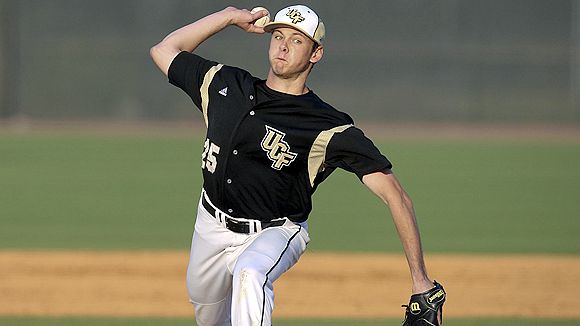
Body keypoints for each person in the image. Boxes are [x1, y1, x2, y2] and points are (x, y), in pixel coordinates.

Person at [150, 4, 443, 326]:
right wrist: (229, 17)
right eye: (277, 36)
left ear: (316, 54)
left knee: (252, 274)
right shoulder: (224, 85)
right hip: (209, 225)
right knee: (209, 318)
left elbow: (395, 196)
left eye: (297, 40)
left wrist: (421, 279)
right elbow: (164, 50)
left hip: (275, 231)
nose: (284, 46)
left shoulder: (328, 127)